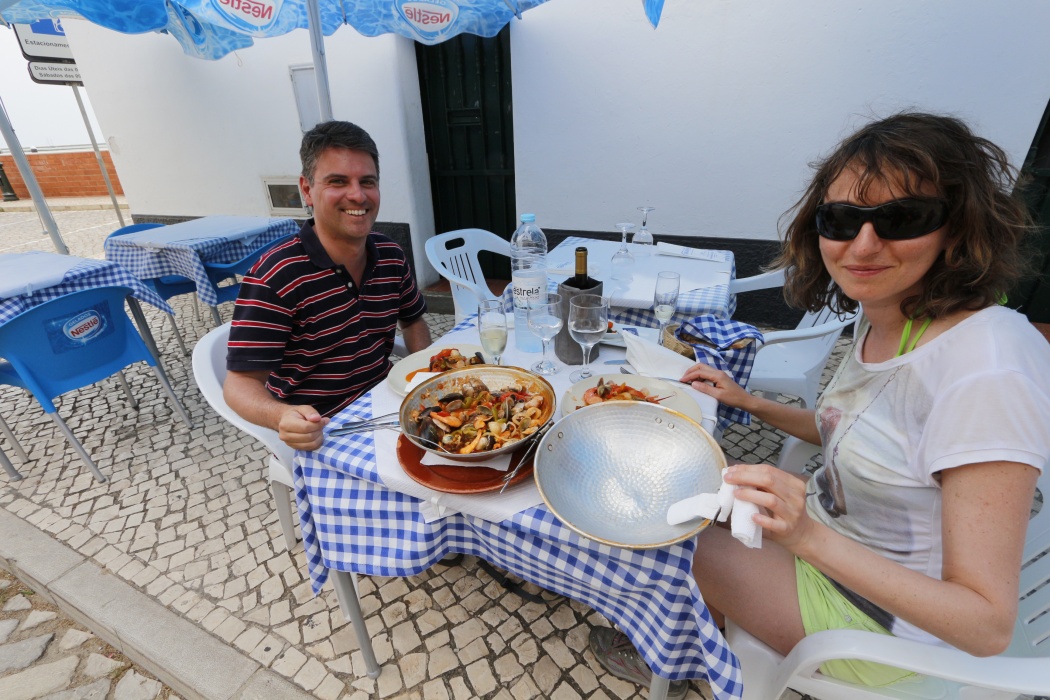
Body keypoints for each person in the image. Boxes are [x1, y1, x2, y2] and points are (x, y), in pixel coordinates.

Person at [589, 112, 1050, 694]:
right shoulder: (895, 316)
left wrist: (806, 537)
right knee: (683, 487)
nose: (863, 244)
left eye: (902, 218)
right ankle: (712, 621)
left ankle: (677, 654)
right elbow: (850, 428)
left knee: (657, 530)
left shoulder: (987, 369)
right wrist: (748, 403)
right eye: (841, 218)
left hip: (888, 630)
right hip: (839, 550)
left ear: (958, 228)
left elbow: (985, 626)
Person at [224, 121, 432, 450]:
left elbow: (413, 320)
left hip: (389, 405)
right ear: (307, 190)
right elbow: (239, 384)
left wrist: (425, 379)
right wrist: (281, 416)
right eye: (338, 181)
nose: (358, 195)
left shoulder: (390, 254)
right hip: (325, 430)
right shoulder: (277, 274)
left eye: (368, 182)